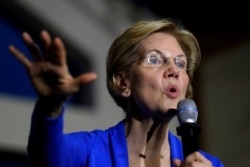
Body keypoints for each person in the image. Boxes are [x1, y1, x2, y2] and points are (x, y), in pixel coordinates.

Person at [8, 18, 224, 167]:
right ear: (123, 82)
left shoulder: (210, 165)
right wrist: (51, 104)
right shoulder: (91, 151)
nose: (174, 71)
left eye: (180, 63)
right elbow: (47, 155)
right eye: (155, 59)